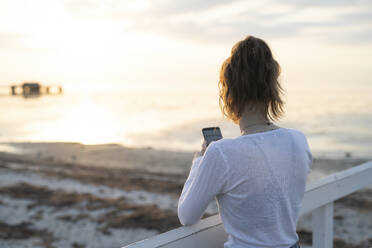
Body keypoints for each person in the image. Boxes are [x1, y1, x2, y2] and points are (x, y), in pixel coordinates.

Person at [177, 36, 312, 248]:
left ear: (229, 91)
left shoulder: (221, 153)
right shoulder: (298, 141)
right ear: (272, 88)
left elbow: (187, 215)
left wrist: (199, 162)